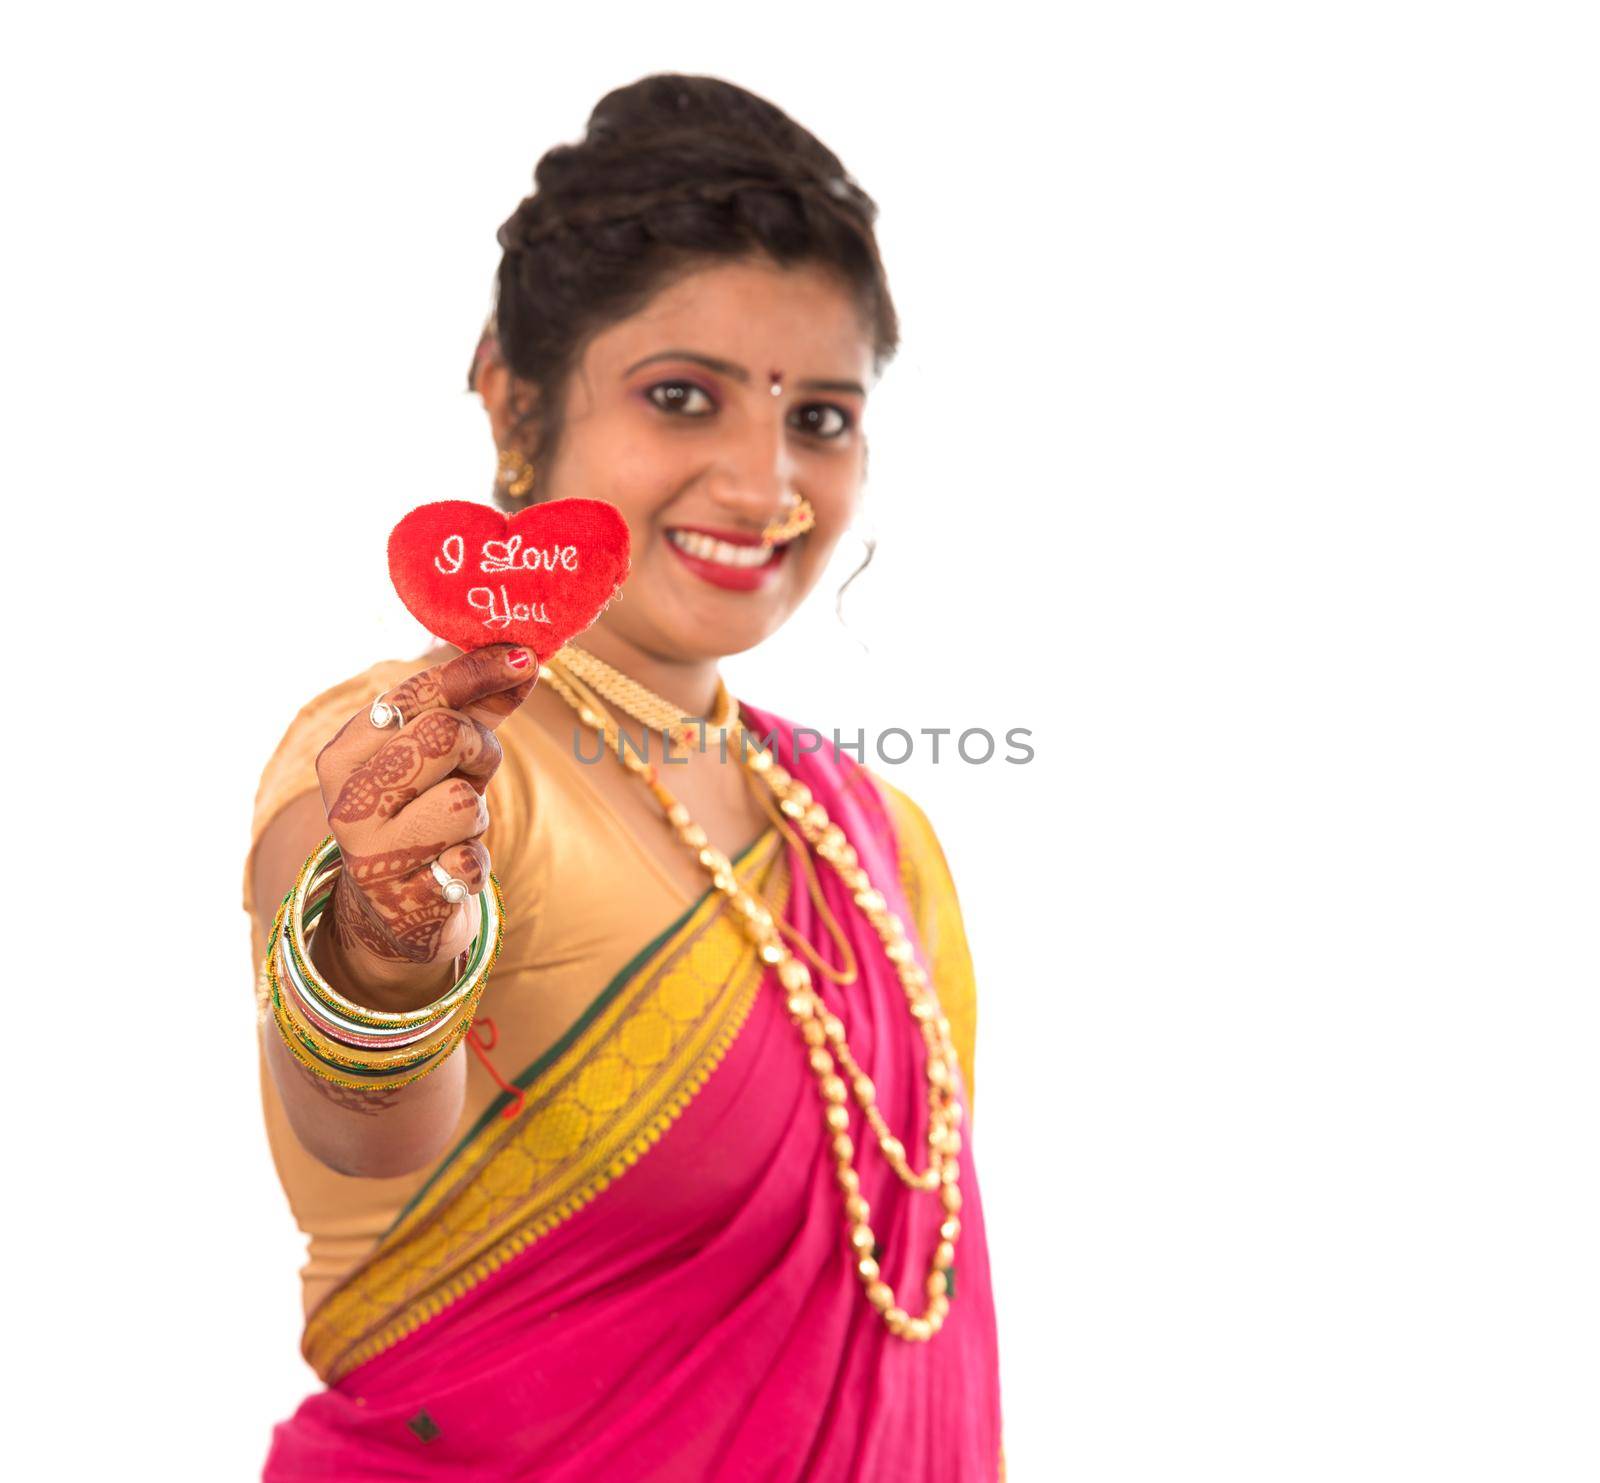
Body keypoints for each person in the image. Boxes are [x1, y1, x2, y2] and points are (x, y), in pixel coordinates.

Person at [244, 73, 1004, 1480]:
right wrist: (386, 944)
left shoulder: (878, 832)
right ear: (514, 399)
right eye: (680, 397)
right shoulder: (419, 760)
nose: (764, 480)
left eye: (821, 419)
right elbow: (363, 1130)